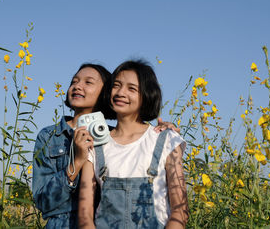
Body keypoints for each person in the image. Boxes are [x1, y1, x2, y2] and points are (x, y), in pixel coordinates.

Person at [33, 63, 180, 229]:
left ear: (105, 92)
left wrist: (165, 132)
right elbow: (42, 202)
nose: (77, 86)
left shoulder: (111, 138)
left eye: (88, 82)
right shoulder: (50, 136)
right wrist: (76, 162)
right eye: (74, 82)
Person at [78, 60, 189, 228]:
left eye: (132, 88)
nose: (121, 92)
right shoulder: (95, 144)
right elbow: (84, 216)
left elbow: (180, 211)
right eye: (116, 85)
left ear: (146, 95)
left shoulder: (166, 139)